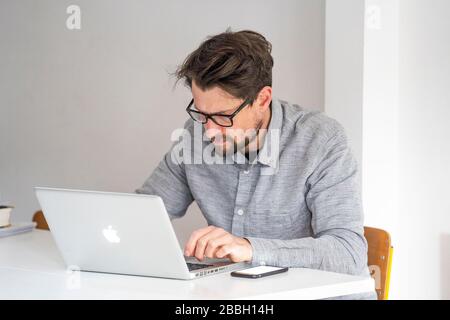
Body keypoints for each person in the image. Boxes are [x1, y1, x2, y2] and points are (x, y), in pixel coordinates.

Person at [136, 29, 376, 299]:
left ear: (262, 99)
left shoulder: (321, 140)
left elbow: (348, 253)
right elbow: (142, 215)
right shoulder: (195, 135)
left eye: (223, 116)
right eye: (201, 114)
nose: (210, 131)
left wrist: (250, 248)